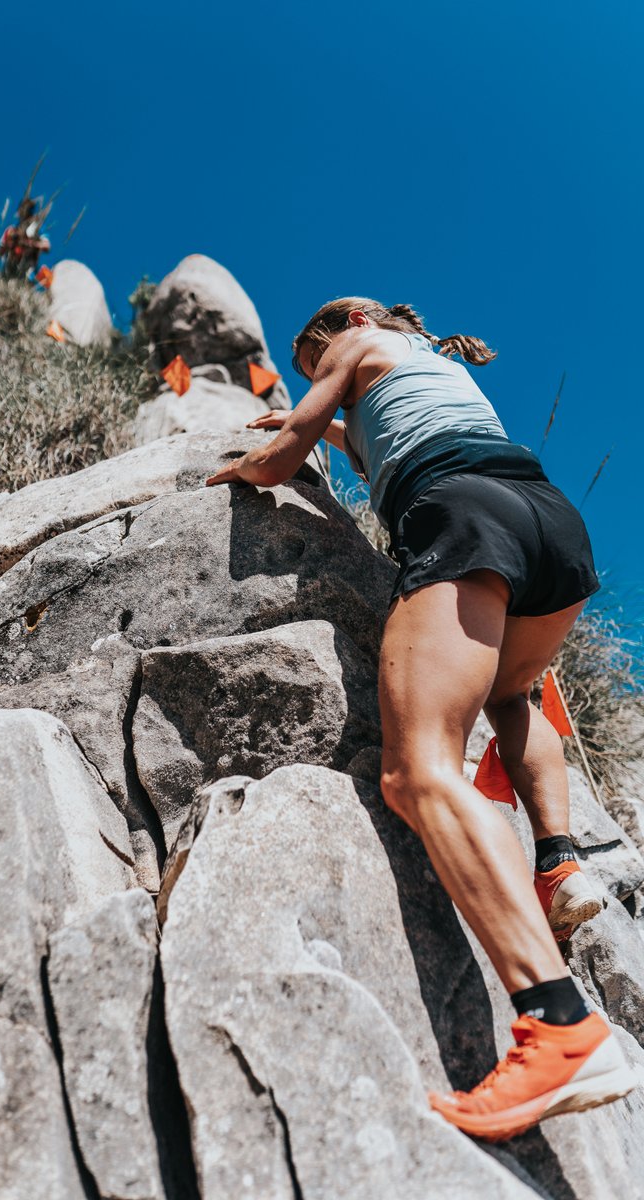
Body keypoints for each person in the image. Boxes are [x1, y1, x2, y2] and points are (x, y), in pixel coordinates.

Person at [205, 297, 637, 1141]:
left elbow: (289, 450)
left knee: (417, 772)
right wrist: (326, 424)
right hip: (551, 522)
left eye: (311, 354)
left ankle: (559, 1025)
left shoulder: (355, 343)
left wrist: (249, 465)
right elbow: (363, 433)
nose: (311, 367)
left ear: (348, 325)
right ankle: (558, 861)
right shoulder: (426, 359)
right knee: (510, 696)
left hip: (462, 511)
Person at [0, 197, 51, 279]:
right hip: (8, 271)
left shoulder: (37, 228)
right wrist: (10, 243)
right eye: (22, 209)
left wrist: (30, 243)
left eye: (27, 209)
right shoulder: (11, 230)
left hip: (28, 272)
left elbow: (46, 245)